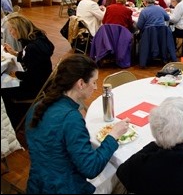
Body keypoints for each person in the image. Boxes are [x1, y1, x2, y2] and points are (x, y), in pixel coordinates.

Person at [24, 54, 130, 194]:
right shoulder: (71, 118)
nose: (95, 87)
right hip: (64, 188)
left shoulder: (37, 107)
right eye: (93, 82)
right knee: (124, 173)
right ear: (80, 83)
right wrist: (113, 136)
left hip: (36, 185)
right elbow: (91, 169)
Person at [1, 14, 54, 129]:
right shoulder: (39, 38)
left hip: (35, 87)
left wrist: (17, 74)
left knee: (3, 90)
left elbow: (31, 76)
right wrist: (15, 53)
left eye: (11, 30)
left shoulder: (32, 48)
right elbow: (31, 58)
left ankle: (13, 122)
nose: (10, 33)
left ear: (19, 29)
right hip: (44, 82)